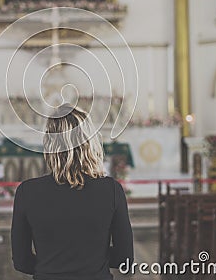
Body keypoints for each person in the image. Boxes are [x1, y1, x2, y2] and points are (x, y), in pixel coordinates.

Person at [11, 103, 133, 279]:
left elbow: (21, 261)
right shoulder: (111, 190)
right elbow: (124, 258)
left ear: (49, 143)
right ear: (90, 141)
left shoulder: (27, 192)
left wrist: (51, 266)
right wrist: (92, 259)